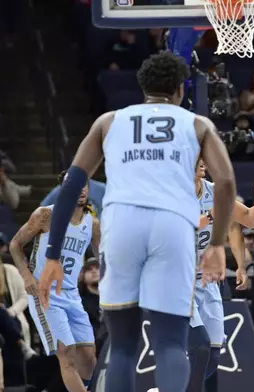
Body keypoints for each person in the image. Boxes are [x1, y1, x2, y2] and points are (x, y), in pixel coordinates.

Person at [36, 51, 236, 392]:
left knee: (124, 347)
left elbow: (71, 183)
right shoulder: (197, 124)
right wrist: (217, 243)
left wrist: (52, 255)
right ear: (179, 90)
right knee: (171, 343)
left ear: (142, 87)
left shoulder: (109, 121)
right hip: (173, 226)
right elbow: (228, 182)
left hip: (122, 225)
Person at [187, 159, 254, 392]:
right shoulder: (171, 192)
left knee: (213, 355)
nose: (203, 161)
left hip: (207, 281)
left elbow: (251, 220)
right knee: (201, 348)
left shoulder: (215, 192)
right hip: (177, 281)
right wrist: (212, 216)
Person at [9, 170, 98, 392]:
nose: (81, 188)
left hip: (72, 296)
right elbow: (15, 245)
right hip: (45, 295)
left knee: (89, 360)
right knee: (67, 356)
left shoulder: (92, 223)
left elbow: (104, 258)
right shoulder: (45, 215)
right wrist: (26, 275)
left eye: (83, 184)